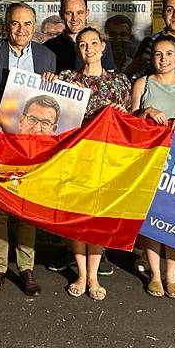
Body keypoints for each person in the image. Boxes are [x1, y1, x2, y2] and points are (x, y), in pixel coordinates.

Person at [0, 2, 56, 298]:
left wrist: (52, 84)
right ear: (6, 25)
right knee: (0, 208)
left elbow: (51, 102)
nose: (21, 29)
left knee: (26, 208)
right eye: (15, 23)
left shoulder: (48, 57)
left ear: (34, 27)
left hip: (32, 144)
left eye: (27, 24)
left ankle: (26, 267)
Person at [51, 27, 132, 301]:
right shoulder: (67, 79)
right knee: (77, 216)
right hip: (75, 157)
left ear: (103, 47)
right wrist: (51, 83)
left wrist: (122, 114)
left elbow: (129, 123)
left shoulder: (120, 83)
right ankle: (81, 274)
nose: (88, 48)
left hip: (106, 159)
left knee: (97, 217)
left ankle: (94, 275)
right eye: (83, 44)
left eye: (93, 43)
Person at [130, 34, 175, 299]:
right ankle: (155, 275)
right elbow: (130, 120)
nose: (163, 59)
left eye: (169, 54)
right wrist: (145, 112)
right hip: (150, 159)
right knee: (152, 219)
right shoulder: (143, 83)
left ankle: (171, 275)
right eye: (158, 54)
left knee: (174, 218)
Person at [43, 0, 116, 73]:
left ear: (87, 13)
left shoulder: (102, 45)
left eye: (79, 13)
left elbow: (110, 78)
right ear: (61, 14)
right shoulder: (48, 48)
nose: (74, 18)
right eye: (68, 13)